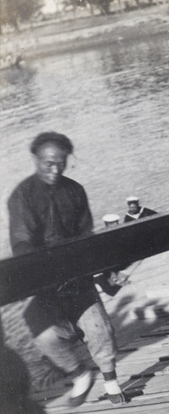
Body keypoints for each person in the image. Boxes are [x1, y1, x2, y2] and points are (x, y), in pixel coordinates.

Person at [7, 132, 126, 406]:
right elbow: (21, 242)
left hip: (78, 280)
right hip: (46, 284)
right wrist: (42, 270)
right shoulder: (22, 196)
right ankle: (80, 374)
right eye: (48, 163)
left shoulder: (75, 190)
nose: (55, 169)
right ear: (36, 159)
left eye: (61, 163)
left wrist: (105, 271)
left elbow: (86, 234)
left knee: (101, 330)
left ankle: (111, 382)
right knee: (44, 336)